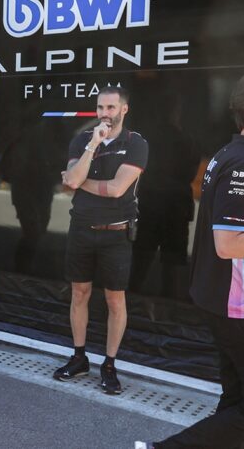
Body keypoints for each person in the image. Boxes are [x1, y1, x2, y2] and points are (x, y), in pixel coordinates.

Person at [138, 76, 244, 449]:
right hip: (235, 304)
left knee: (236, 399)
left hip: (222, 300)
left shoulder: (225, 154)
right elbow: (229, 242)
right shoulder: (241, 163)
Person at [55, 86, 149, 394]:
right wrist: (92, 146)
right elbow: (69, 180)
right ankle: (79, 357)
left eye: (110, 107)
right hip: (81, 230)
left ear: (124, 109)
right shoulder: (83, 140)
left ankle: (109, 365)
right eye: (100, 107)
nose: (104, 113)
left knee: (114, 300)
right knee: (79, 293)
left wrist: (80, 183)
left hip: (116, 234)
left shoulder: (136, 144)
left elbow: (118, 189)